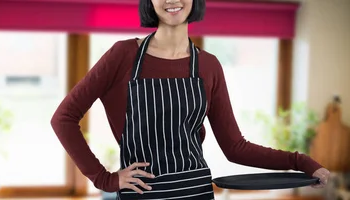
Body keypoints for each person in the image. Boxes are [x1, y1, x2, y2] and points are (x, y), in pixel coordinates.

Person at [50, 0, 331, 199]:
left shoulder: (208, 65)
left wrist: (302, 162)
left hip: (195, 191)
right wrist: (105, 179)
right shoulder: (122, 56)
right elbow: (63, 118)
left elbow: (235, 147)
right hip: (144, 195)